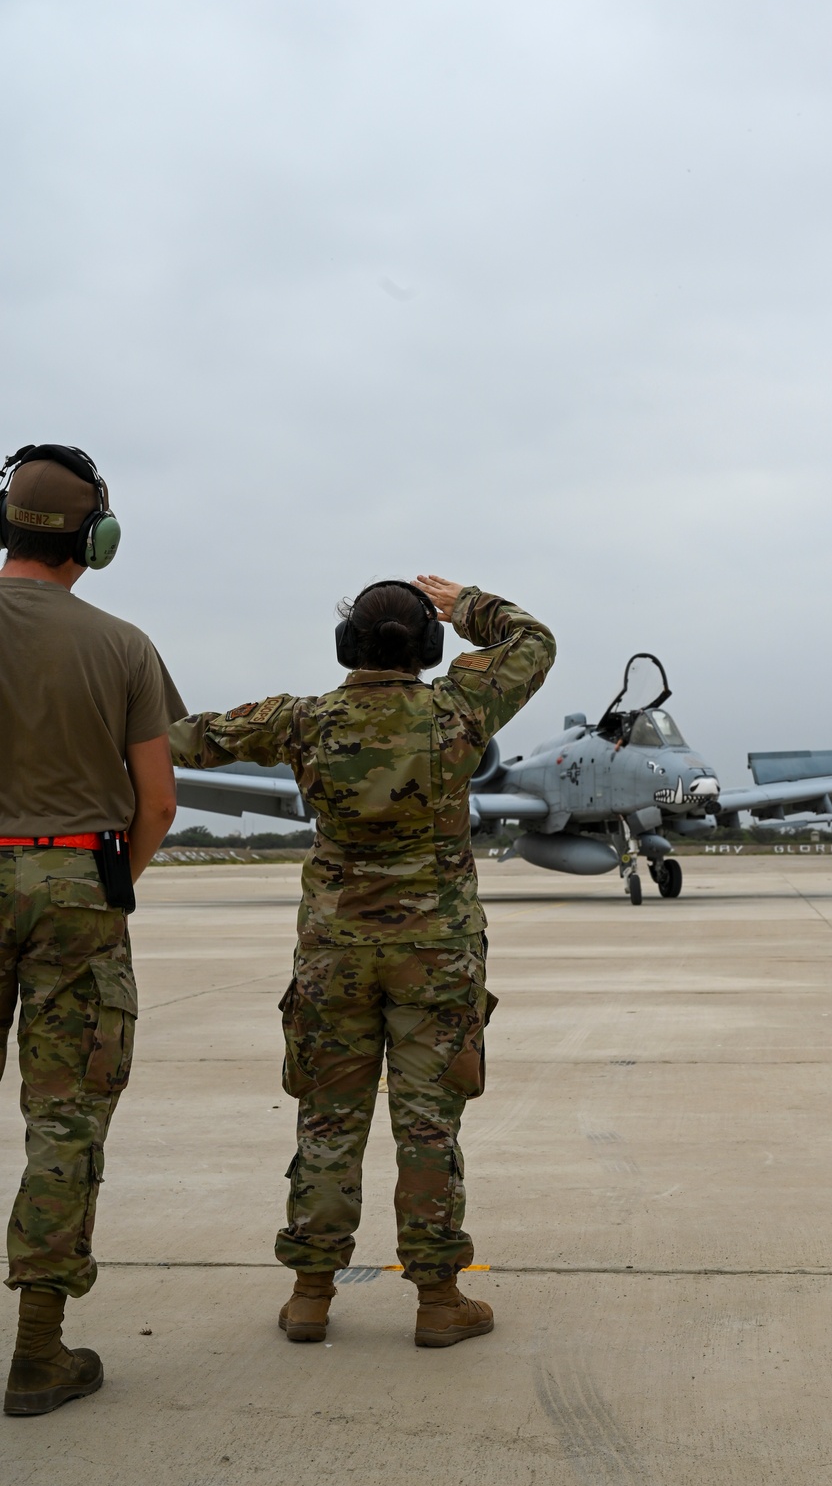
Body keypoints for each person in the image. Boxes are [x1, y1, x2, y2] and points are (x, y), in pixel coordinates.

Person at [170, 575, 555, 1347]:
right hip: (436, 958)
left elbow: (183, 738)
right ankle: (440, 1302)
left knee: (327, 1121)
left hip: (334, 957)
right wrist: (468, 602)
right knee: (428, 1127)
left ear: (347, 646)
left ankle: (312, 1293)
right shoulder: (459, 709)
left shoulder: (304, 720)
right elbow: (535, 642)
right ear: (431, 647)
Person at [0, 444, 184, 1416]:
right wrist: (104, 882)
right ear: (94, 541)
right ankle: (37, 1353)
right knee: (64, 1119)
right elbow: (155, 802)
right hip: (77, 875)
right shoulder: (122, 646)